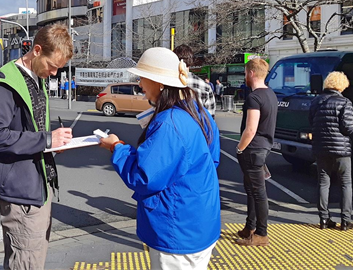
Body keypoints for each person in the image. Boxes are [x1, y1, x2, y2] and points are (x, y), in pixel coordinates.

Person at [99, 47, 221, 270]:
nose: (140, 85)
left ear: (159, 83)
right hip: (199, 220)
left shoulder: (170, 123)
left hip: (176, 228)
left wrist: (117, 147)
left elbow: (144, 176)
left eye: (143, 78)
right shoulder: (195, 109)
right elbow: (212, 159)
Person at [0, 23, 74, 270]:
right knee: (26, 263)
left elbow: (32, 129)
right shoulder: (4, 83)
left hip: (37, 187)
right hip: (21, 192)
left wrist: (51, 145)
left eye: (58, 70)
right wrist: (47, 140)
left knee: (31, 260)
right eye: (52, 66)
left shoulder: (36, 78)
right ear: (37, 50)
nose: (54, 74)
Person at [309, 71, 353, 231]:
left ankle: (324, 219)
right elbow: (347, 128)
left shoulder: (316, 101)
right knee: (346, 184)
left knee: (323, 183)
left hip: (321, 148)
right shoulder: (345, 102)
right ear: (342, 85)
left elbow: (312, 122)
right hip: (341, 150)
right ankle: (346, 221)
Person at [235, 58, 277, 247]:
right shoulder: (271, 95)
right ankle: (250, 227)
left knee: (258, 193)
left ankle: (261, 233)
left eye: (245, 73)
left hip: (253, 150)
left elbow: (250, 129)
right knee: (252, 190)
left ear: (251, 73)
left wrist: (240, 148)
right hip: (263, 147)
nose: (245, 76)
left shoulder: (254, 97)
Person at [173, 45, 216, 118]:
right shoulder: (205, 87)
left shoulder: (167, 82)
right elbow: (210, 116)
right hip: (197, 126)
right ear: (191, 61)